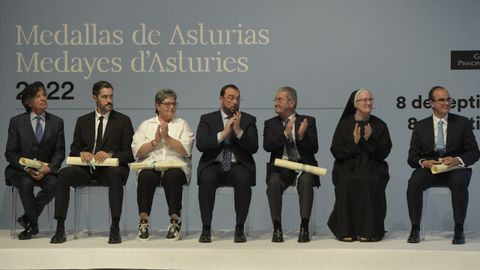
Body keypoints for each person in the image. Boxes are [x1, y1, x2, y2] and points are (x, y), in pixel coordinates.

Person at [50, 81, 134, 244]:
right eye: (104, 97)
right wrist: (82, 153)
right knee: (63, 174)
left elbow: (130, 153)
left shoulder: (123, 120)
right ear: (94, 98)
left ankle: (114, 227)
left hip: (111, 170)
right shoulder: (82, 121)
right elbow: (74, 149)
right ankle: (60, 228)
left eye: (111, 96)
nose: (109, 100)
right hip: (86, 169)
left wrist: (110, 154)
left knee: (115, 174)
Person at [406, 86, 479, 245]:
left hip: (455, 169)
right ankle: (415, 228)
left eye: (448, 99)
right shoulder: (420, 126)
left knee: (459, 182)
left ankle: (458, 229)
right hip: (430, 169)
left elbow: (474, 152)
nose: (446, 103)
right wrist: (423, 162)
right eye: (441, 100)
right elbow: (412, 157)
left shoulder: (462, 123)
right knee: (414, 182)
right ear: (431, 103)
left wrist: (457, 159)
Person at [196, 84, 258, 243]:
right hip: (214, 165)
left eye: (238, 98)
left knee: (243, 178)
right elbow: (201, 145)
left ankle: (239, 228)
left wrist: (238, 131)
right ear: (221, 99)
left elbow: (253, 148)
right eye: (231, 98)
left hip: (237, 166)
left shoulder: (248, 120)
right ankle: (206, 228)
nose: (235, 102)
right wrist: (223, 134)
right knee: (207, 179)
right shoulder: (207, 119)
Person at [328, 88, 392, 242]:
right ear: (355, 103)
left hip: (372, 166)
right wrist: (355, 142)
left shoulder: (379, 124)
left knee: (369, 180)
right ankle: (345, 230)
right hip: (348, 166)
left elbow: (384, 152)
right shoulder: (344, 124)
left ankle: (369, 231)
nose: (368, 102)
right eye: (364, 100)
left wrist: (370, 140)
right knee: (347, 180)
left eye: (370, 99)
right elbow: (336, 151)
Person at [132, 89, 195, 241]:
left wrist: (167, 138)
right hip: (151, 165)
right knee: (146, 176)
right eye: (167, 104)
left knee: (172, 176)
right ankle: (143, 221)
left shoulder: (182, 124)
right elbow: (137, 151)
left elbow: (186, 150)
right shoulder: (146, 125)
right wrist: (154, 142)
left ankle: (175, 221)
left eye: (174, 103)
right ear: (158, 106)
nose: (171, 107)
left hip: (176, 166)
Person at [5, 82, 65, 240]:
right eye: (38, 96)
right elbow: (10, 153)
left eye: (44, 95)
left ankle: (28, 220)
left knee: (54, 184)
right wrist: (26, 168)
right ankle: (33, 224)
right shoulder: (16, 122)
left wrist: (49, 168)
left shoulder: (57, 122)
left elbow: (59, 152)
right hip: (20, 170)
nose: (44, 98)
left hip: (45, 170)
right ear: (28, 102)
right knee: (26, 184)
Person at [264, 86, 320, 243]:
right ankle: (277, 228)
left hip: (303, 168)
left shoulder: (308, 121)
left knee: (307, 181)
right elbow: (267, 146)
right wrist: (285, 134)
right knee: (273, 182)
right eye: (275, 99)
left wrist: (302, 136)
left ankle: (304, 227)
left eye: (279, 99)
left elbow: (314, 148)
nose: (275, 102)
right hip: (280, 169)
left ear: (291, 103)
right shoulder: (270, 123)